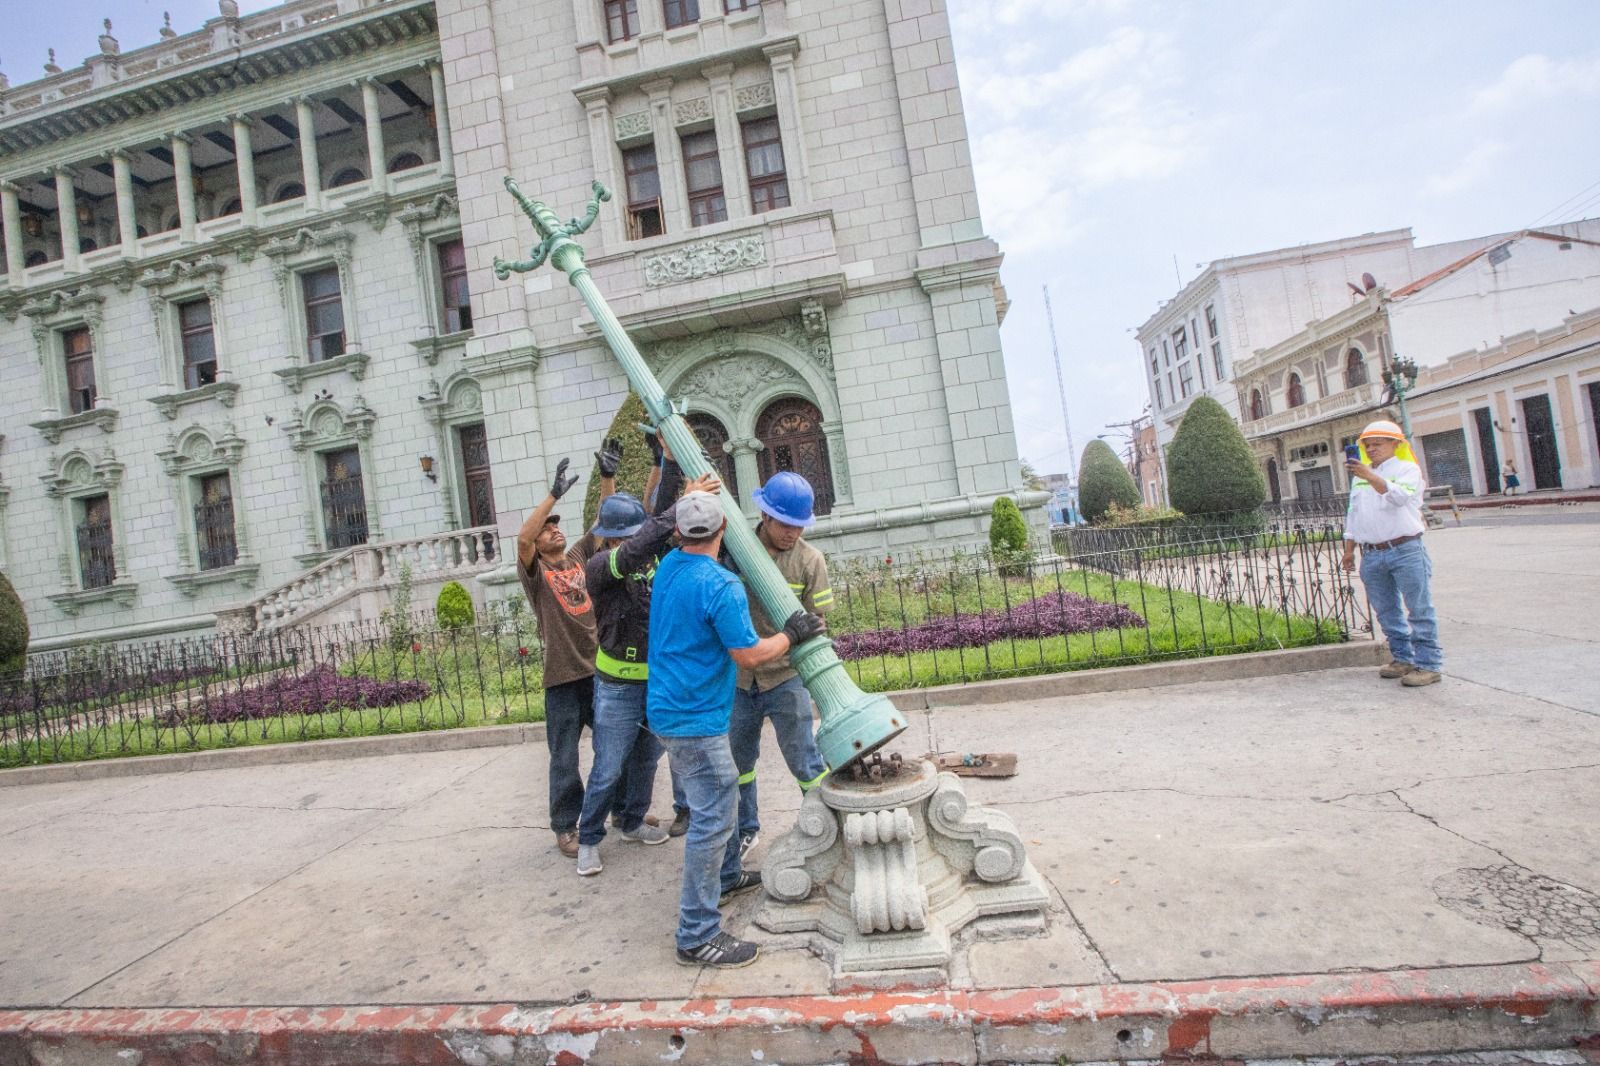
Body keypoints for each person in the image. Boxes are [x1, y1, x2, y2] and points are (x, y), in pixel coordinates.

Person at [647, 490, 826, 968]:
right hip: (698, 718)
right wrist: (792, 634)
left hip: (668, 708)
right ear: (726, 530)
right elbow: (748, 655)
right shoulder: (721, 584)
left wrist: (687, 492)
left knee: (717, 808)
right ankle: (697, 934)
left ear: (680, 532)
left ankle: (726, 877)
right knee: (712, 819)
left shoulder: (668, 567)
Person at [573, 461, 723, 877]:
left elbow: (669, 540)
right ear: (605, 537)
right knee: (609, 765)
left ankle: (634, 821)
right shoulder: (601, 568)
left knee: (647, 760)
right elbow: (642, 545)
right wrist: (683, 505)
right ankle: (588, 838)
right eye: (621, 535)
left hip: (655, 682)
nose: (628, 540)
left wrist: (672, 471)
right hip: (618, 684)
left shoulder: (655, 560)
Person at [517, 438, 624, 858]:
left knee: (616, 745)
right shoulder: (536, 572)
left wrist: (607, 477)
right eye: (547, 528)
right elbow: (523, 542)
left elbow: (606, 523)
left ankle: (622, 811)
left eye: (556, 524)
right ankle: (566, 826)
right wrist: (552, 495)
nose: (553, 528)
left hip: (599, 671)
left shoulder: (579, 557)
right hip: (562, 678)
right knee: (564, 758)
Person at [728, 471, 833, 858]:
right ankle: (745, 828)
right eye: (785, 524)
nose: (792, 533)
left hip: (787, 675)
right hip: (739, 676)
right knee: (739, 761)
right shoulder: (737, 551)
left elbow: (820, 622)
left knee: (805, 758)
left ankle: (822, 825)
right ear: (765, 515)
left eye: (799, 525)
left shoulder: (810, 560)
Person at [1340, 420, 1442, 687]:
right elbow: (1354, 515)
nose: (1372, 449)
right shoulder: (1360, 477)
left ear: (1395, 444)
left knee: (1418, 608)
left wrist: (1371, 476)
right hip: (1372, 553)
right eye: (1368, 444)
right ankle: (1402, 658)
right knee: (1386, 611)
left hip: (1405, 548)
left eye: (1378, 443)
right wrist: (1349, 550)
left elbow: (1399, 498)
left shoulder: (1407, 470)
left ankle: (1428, 664)